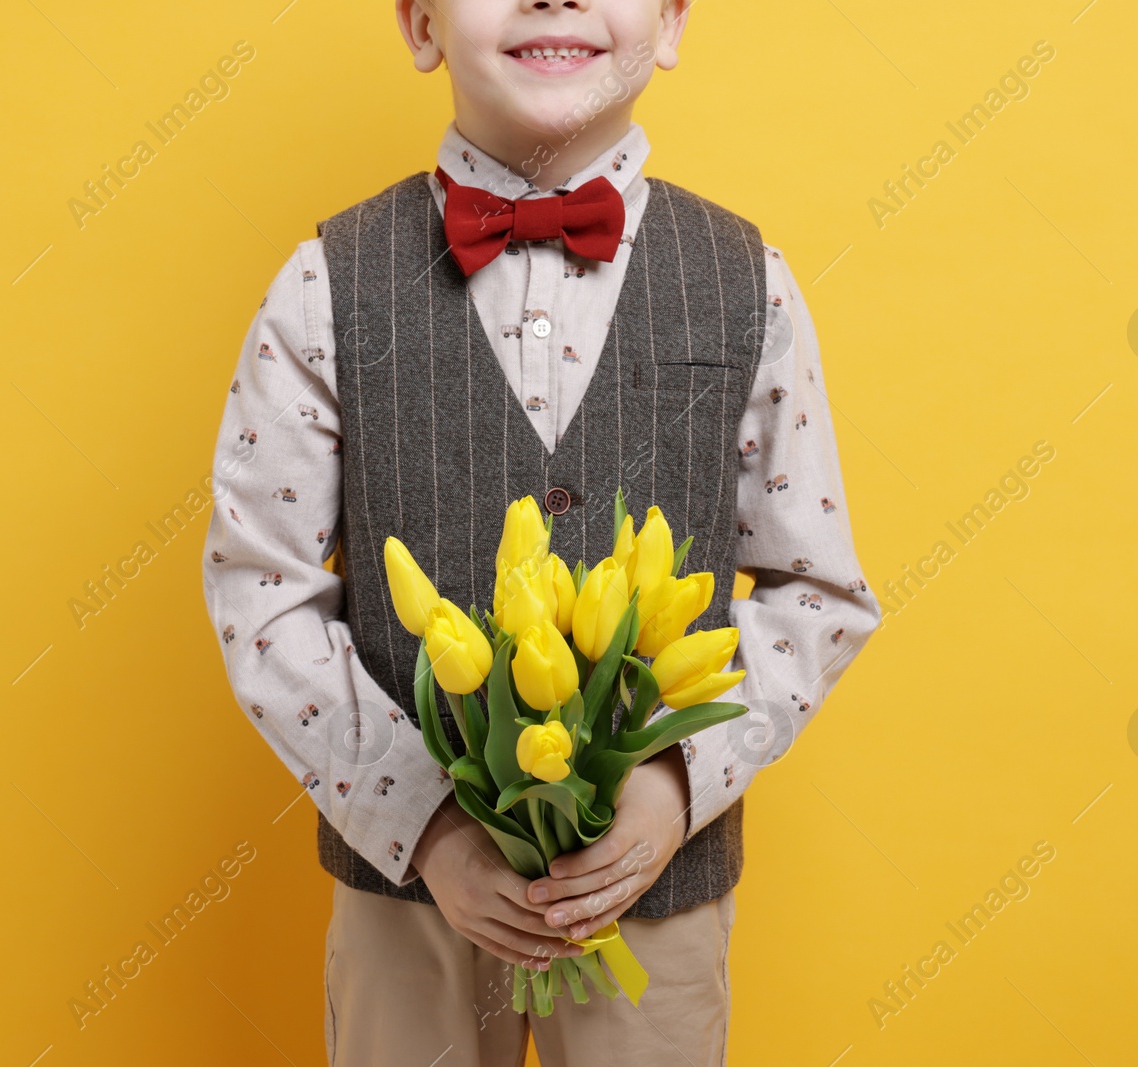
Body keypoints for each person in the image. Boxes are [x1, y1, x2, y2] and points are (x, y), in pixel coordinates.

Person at [200, 1, 880, 1062]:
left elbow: (815, 588)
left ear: (668, 23)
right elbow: (262, 589)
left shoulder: (749, 279)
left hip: (653, 891)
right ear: (421, 24)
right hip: (405, 889)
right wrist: (422, 822)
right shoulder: (324, 283)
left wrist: (674, 780)